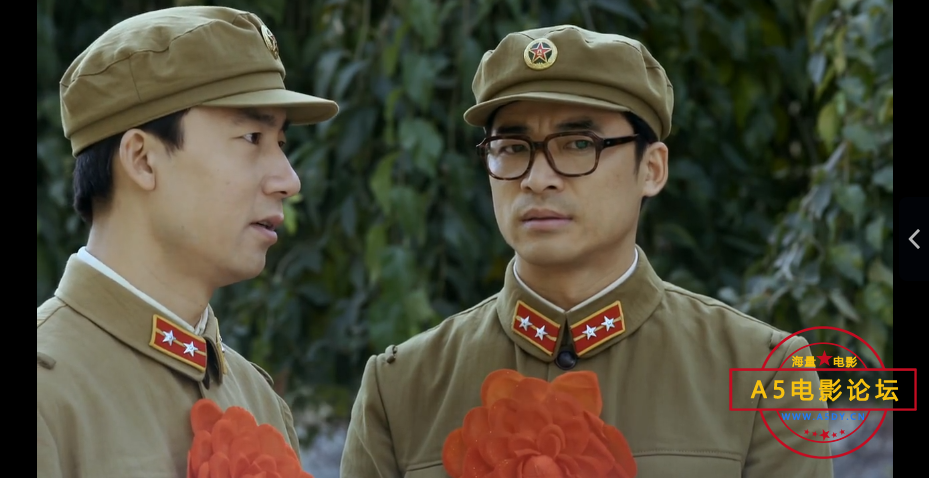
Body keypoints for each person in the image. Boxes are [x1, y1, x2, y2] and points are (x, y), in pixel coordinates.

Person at [340, 25, 833, 477]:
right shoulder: (403, 386)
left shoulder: (759, 371)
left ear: (652, 169)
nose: (538, 179)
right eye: (512, 148)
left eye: (578, 144)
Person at [37, 6, 338, 477]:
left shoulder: (257, 399)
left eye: (280, 143)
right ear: (142, 159)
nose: (289, 180)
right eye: (252, 137)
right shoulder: (49, 394)